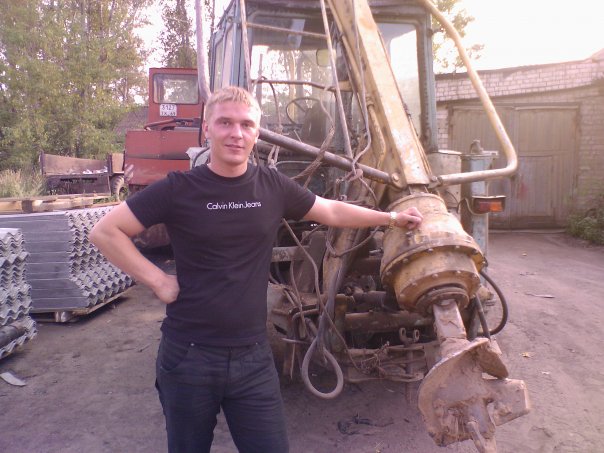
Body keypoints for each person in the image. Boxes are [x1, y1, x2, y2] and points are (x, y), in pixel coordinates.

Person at [90, 86, 423, 453]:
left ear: (257, 133)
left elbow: (329, 210)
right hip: (189, 356)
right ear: (207, 128)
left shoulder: (272, 185)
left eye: (246, 125)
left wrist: (391, 218)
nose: (236, 133)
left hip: (252, 357)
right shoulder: (179, 188)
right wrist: (158, 280)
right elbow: (105, 231)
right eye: (225, 123)